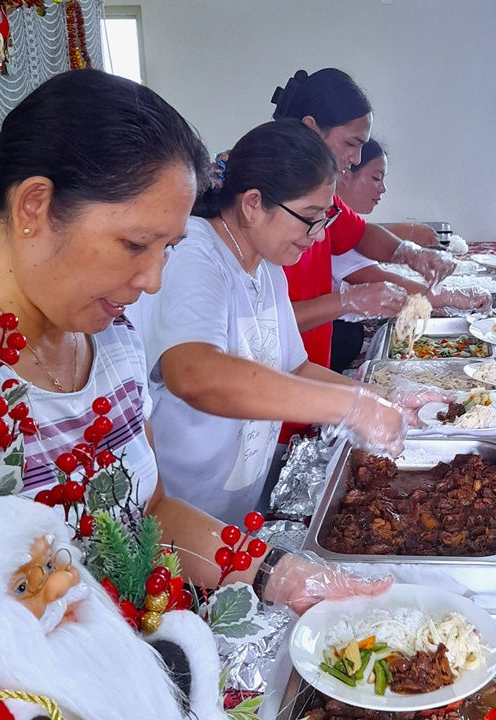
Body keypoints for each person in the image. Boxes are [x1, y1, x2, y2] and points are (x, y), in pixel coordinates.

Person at [0, 70, 387, 616]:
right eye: (136, 244)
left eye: (167, 247)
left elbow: (153, 508)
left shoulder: (112, 341)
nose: (154, 281)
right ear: (34, 207)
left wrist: (275, 575)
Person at [131, 119, 407, 523]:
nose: (317, 235)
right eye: (310, 217)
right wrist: (351, 407)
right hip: (178, 515)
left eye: (325, 218)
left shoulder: (267, 265)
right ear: (253, 203)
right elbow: (193, 374)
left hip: (235, 507)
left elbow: (294, 366)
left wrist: (384, 402)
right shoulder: (195, 253)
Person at [0, 495, 226, 720]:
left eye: (51, 564)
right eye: (23, 587)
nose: (62, 583)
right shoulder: (14, 708)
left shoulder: (129, 660)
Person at [270, 68, 459, 370]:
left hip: (308, 369)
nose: (356, 158)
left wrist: (410, 254)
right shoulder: (271, 203)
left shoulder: (322, 197)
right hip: (275, 380)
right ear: (311, 129)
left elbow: (358, 234)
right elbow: (264, 321)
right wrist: (348, 301)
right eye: (350, 144)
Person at [329, 139, 489, 372]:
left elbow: (367, 239)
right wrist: (450, 296)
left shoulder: (344, 222)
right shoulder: (329, 224)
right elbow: (381, 280)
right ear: (344, 174)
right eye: (376, 178)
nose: (382, 188)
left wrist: (412, 253)